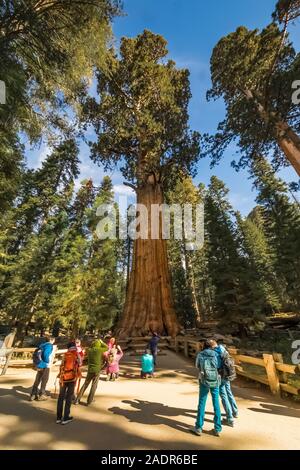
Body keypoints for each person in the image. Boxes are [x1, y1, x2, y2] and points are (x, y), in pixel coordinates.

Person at [191, 339, 222, 437]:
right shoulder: (216, 354)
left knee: (202, 403)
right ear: (212, 346)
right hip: (215, 380)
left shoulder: (201, 354)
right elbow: (219, 365)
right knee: (216, 403)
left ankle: (199, 427)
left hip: (203, 380)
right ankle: (217, 428)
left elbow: (197, 366)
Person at [75, 338, 108, 406]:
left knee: (85, 384)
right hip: (97, 370)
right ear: (99, 345)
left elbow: (89, 347)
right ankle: (89, 401)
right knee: (94, 385)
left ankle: (77, 399)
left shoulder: (89, 350)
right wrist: (101, 342)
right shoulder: (99, 350)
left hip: (90, 369)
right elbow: (106, 347)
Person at [56, 341, 82, 425]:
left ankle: (58, 417)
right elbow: (80, 364)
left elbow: (62, 365)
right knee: (68, 397)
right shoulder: (76, 354)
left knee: (61, 397)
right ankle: (66, 417)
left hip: (63, 378)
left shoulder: (65, 354)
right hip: (72, 378)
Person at [214, 342, 238, 427]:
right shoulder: (224, 351)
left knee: (223, 395)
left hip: (221, 376)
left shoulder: (215, 352)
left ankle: (229, 418)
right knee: (229, 392)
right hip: (228, 375)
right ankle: (235, 411)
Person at [30, 336, 55, 401]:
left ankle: (33, 394)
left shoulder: (42, 345)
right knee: (44, 379)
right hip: (45, 365)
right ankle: (42, 394)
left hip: (39, 364)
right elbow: (45, 354)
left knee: (38, 379)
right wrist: (47, 361)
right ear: (52, 340)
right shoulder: (49, 345)